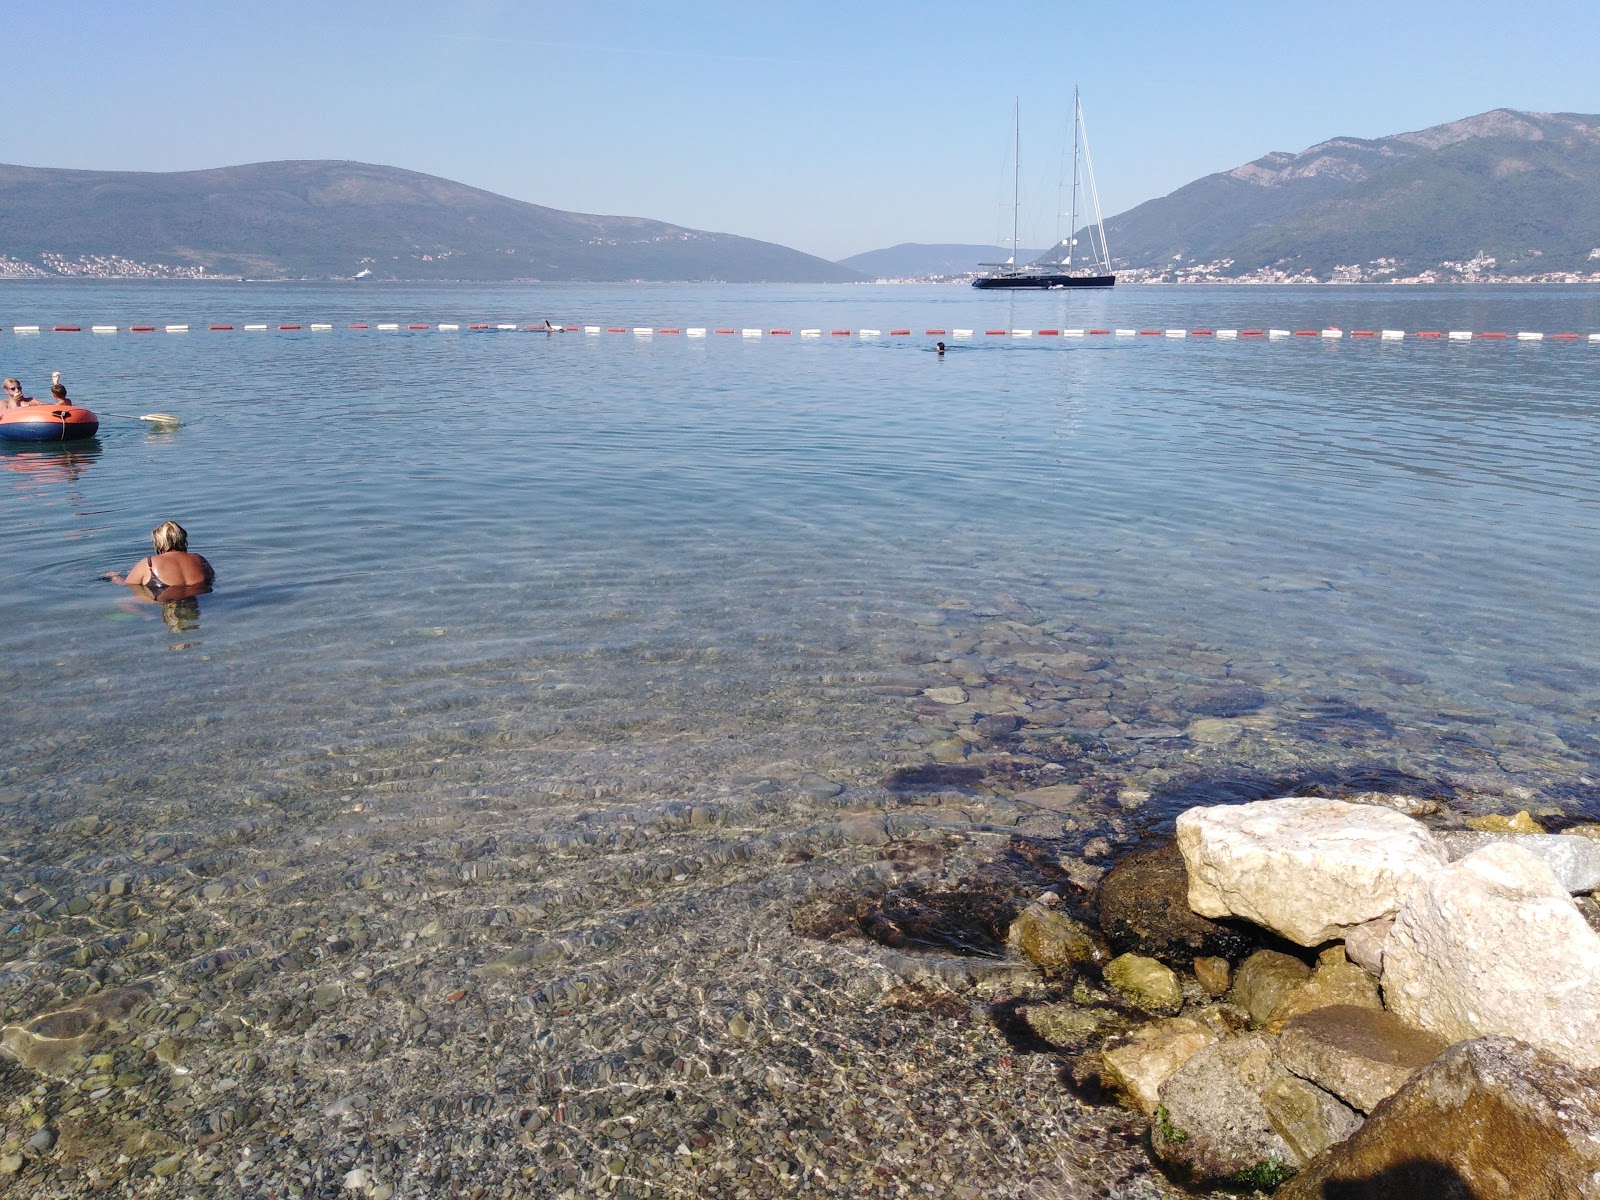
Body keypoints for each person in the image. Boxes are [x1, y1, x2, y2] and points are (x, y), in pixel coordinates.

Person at [104, 520, 215, 594]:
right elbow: (212, 579)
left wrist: (114, 577)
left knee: (122, 602)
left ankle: (148, 617)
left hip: (166, 601)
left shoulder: (148, 564)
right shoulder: (200, 560)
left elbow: (126, 584)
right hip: (196, 600)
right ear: (183, 538)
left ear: (159, 542)